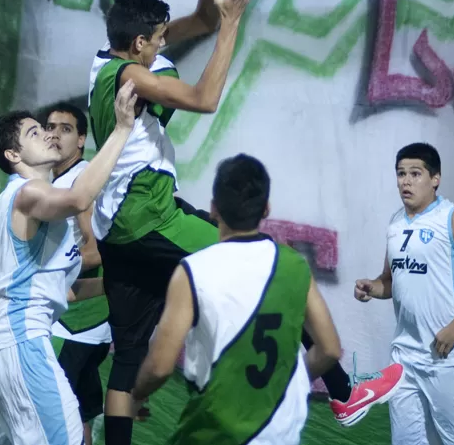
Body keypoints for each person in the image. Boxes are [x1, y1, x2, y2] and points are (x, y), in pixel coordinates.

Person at [90, 0, 403, 444]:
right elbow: (205, 97)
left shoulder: (107, 60)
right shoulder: (133, 73)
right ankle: (342, 394)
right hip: (150, 216)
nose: (162, 46)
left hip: (117, 231)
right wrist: (234, 23)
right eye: (156, 41)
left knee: (127, 356)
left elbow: (197, 21)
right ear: (137, 44)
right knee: (266, 267)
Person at [0, 81, 138, 445]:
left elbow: (66, 292)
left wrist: (122, 284)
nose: (46, 134)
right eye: (35, 131)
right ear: (14, 155)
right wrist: (123, 128)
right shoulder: (28, 192)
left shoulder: (22, 202)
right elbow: (79, 198)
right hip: (19, 343)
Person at [132, 153, 342, 444]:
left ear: (213, 209)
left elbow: (159, 366)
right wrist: (289, 380)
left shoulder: (193, 270)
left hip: (218, 432)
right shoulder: (294, 264)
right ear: (266, 209)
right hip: (281, 432)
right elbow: (330, 349)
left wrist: (137, 395)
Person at [354, 142, 454, 445]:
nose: (406, 181)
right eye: (401, 174)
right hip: (405, 356)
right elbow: (391, 281)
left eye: (415, 173)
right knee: (407, 441)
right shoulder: (396, 223)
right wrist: (373, 288)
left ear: (435, 178)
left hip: (449, 356)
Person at [47, 102, 113, 445]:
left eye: (66, 128)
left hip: (79, 320)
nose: (55, 134)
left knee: (58, 412)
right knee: (81, 410)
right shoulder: (54, 180)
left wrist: (41, 270)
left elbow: (96, 251)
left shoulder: (82, 182)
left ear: (82, 140)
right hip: (78, 315)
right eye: (50, 127)